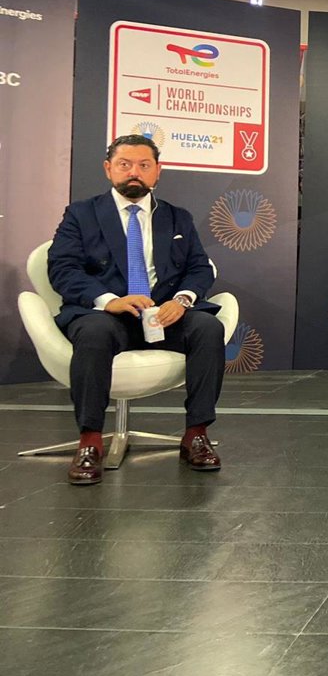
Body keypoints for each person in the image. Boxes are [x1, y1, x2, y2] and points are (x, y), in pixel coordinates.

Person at [47, 135, 226, 485]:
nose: (134, 172)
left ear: (158, 171)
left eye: (144, 165)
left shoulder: (177, 217)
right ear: (108, 169)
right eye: (125, 164)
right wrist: (107, 300)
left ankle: (196, 434)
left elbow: (200, 268)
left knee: (208, 328)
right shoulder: (81, 214)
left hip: (163, 314)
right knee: (94, 333)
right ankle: (90, 441)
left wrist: (182, 300)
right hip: (106, 315)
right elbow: (62, 268)